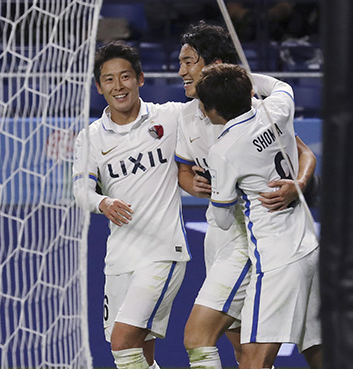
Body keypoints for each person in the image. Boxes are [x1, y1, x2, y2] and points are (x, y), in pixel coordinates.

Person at [175, 22, 318, 367]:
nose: (181, 71)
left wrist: (297, 184)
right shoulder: (273, 109)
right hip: (277, 242)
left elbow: (305, 154)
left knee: (239, 352)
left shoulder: (245, 121)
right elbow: (183, 170)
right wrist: (191, 184)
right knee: (300, 349)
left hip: (259, 244)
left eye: (189, 61)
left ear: (214, 65)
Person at [72, 41, 190, 369]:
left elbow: (220, 105)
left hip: (163, 252)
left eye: (125, 77)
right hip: (120, 259)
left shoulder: (170, 117)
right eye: (109, 79)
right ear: (98, 87)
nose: (118, 86)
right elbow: (81, 191)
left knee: (122, 343)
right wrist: (102, 201)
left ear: (139, 78)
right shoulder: (91, 136)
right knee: (138, 353)